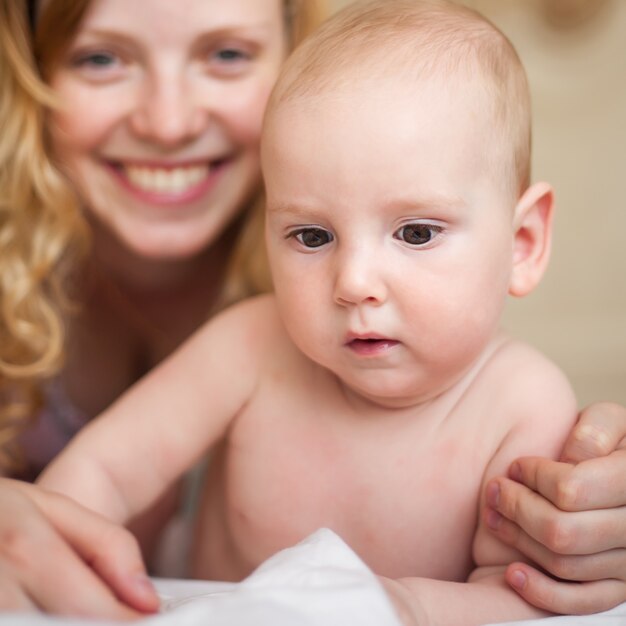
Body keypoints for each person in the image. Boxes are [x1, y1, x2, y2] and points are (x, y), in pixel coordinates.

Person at [0, 0, 625, 620]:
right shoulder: (249, 345)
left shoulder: (522, 405)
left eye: (415, 233)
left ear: (523, 244)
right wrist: (47, 559)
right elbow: (103, 473)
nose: (353, 283)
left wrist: (401, 607)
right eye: (311, 236)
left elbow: (520, 597)